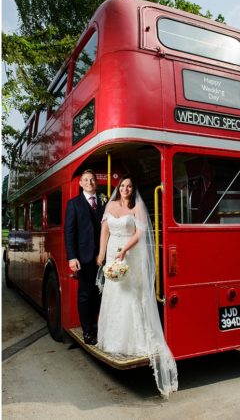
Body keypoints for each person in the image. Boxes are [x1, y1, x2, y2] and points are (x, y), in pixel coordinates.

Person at [96, 174, 178, 398]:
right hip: (113, 251)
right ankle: (111, 339)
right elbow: (105, 230)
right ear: (118, 188)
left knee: (130, 296)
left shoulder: (138, 207)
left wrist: (124, 250)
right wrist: (102, 253)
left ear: (133, 189)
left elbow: (140, 233)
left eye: (129, 186)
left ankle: (133, 341)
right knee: (113, 294)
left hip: (129, 253)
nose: (125, 188)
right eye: (122, 185)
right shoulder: (111, 205)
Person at [64, 169, 105, 345]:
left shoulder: (105, 201)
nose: (89, 182)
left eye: (92, 179)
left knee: (99, 294)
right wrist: (72, 257)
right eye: (86, 180)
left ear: (96, 182)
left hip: (103, 257)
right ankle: (87, 331)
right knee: (86, 294)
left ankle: (96, 328)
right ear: (80, 184)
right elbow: (69, 232)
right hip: (83, 258)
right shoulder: (74, 204)